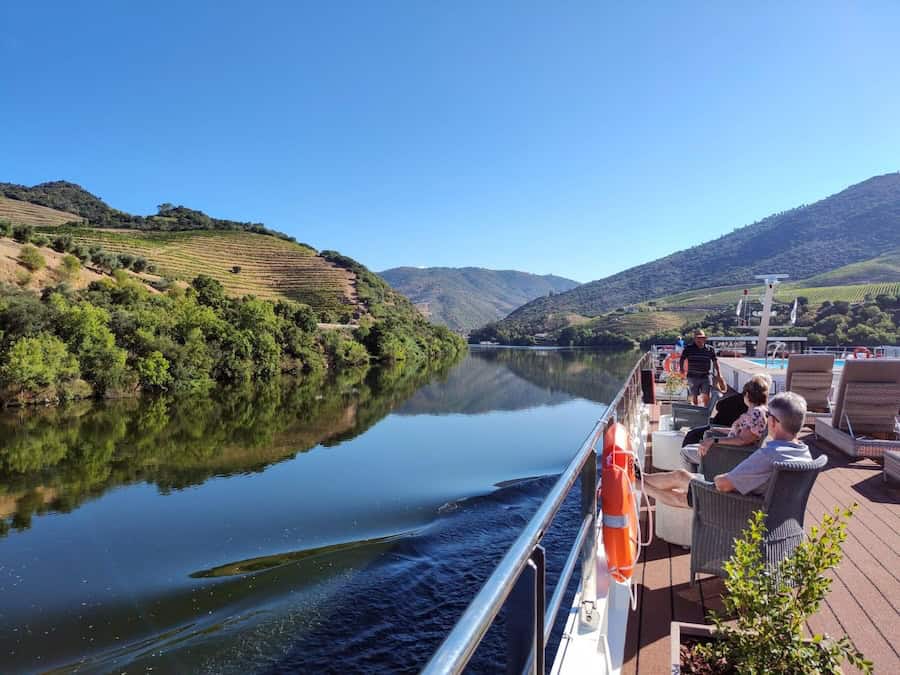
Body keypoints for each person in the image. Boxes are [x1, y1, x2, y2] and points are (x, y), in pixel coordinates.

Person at [643, 392, 812, 509]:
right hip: (765, 506)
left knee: (682, 486)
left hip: (736, 506)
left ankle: (639, 484)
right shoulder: (805, 454)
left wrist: (719, 476)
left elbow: (722, 484)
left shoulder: (769, 455)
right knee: (682, 479)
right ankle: (642, 480)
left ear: (774, 422)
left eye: (768, 417)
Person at [680, 374, 770, 469]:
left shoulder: (756, 413)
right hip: (729, 450)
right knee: (691, 447)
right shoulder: (759, 411)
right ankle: (699, 477)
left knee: (685, 452)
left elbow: (742, 440)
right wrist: (716, 429)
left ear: (747, 394)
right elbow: (739, 433)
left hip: (731, 455)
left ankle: (694, 482)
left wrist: (714, 440)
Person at [679, 329, 719, 405]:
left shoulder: (710, 349)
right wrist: (681, 369)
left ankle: (705, 412)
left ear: (704, 339)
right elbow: (682, 358)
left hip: (705, 376)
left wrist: (719, 374)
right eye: (697, 338)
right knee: (694, 396)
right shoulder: (688, 348)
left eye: (701, 338)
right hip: (692, 376)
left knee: (706, 395)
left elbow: (715, 361)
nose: (699, 339)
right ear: (694, 339)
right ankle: (696, 411)